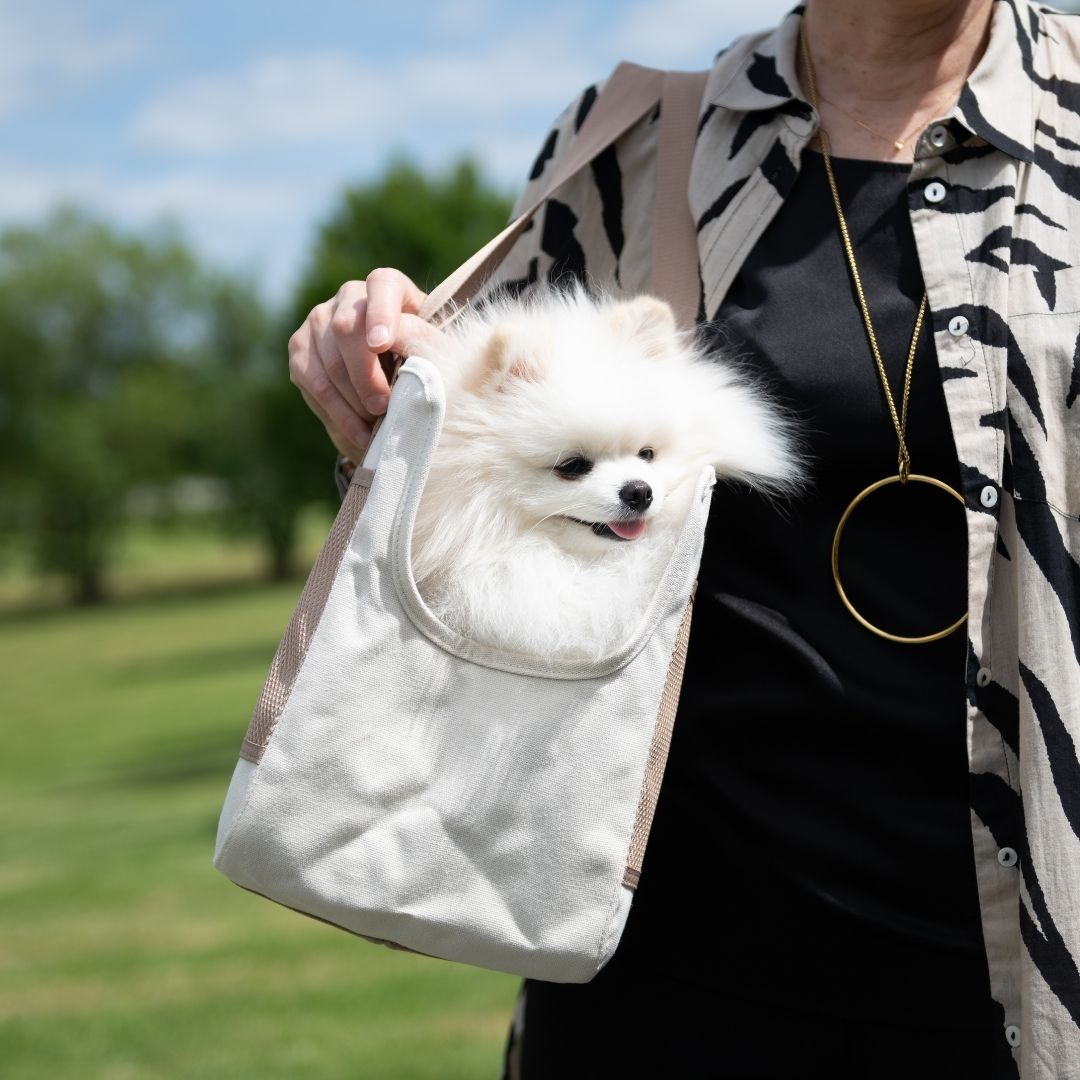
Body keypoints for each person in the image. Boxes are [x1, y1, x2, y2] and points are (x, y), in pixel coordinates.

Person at [288, 0, 1080, 1076]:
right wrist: (384, 383)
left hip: (1033, 965)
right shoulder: (633, 144)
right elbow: (466, 489)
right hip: (662, 971)